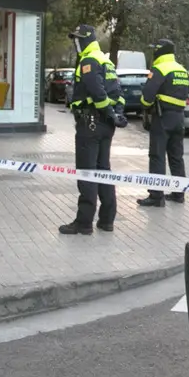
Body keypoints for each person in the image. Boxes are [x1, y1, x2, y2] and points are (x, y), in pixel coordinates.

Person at [59, 24, 128, 236]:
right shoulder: (106, 61)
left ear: (86, 40)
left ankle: (84, 223)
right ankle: (107, 220)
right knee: (103, 170)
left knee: (87, 172)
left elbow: (97, 91)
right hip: (105, 126)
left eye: (78, 39)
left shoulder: (89, 61)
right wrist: (116, 114)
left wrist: (108, 112)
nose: (75, 43)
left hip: (90, 124)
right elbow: (117, 92)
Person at [137, 38, 189, 208]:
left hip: (162, 117)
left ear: (159, 51)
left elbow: (147, 95)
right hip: (180, 118)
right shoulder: (182, 70)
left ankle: (156, 196)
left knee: (157, 156)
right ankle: (178, 193)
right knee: (176, 157)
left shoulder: (159, 68)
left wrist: (145, 107)